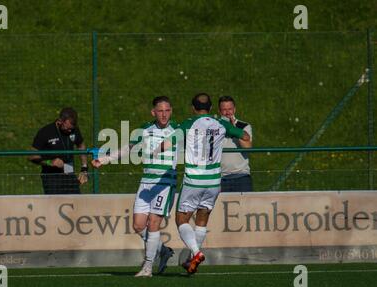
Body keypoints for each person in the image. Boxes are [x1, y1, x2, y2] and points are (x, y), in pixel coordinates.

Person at [161, 93, 250, 274]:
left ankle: (196, 252)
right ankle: (191, 261)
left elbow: (167, 144)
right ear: (210, 108)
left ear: (193, 108)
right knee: (202, 219)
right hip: (214, 181)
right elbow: (246, 137)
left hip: (194, 179)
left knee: (181, 220)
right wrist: (231, 127)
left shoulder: (188, 124)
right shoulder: (221, 124)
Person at [92, 96, 177, 277]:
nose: (164, 114)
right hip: (146, 182)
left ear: (171, 111)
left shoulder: (178, 130)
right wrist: (105, 159)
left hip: (165, 182)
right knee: (138, 226)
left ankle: (147, 267)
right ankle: (163, 250)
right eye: (160, 111)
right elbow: (128, 149)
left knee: (154, 223)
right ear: (153, 112)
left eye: (167, 110)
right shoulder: (145, 129)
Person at [29, 107, 88, 194]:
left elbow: (81, 145)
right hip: (51, 176)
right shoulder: (45, 132)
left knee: (76, 201)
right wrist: (50, 162)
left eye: (72, 129)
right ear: (60, 121)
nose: (70, 131)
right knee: (55, 204)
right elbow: (31, 155)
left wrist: (84, 169)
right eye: (67, 128)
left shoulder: (74, 130)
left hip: (69, 171)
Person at [218, 96, 253, 192]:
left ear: (235, 109)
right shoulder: (215, 128)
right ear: (220, 112)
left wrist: (234, 130)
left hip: (242, 176)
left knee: (245, 207)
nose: (228, 112)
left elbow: (247, 147)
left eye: (230, 109)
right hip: (221, 177)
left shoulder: (244, 126)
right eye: (224, 110)